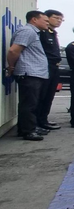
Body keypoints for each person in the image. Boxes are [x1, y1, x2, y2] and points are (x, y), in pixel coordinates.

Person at [6, 11, 50, 140]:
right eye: (45, 20)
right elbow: (13, 50)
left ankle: (30, 127)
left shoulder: (33, 32)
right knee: (29, 104)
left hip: (35, 73)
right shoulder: (27, 31)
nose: (47, 23)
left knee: (33, 102)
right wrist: (12, 66)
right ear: (34, 20)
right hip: (29, 73)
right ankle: (27, 131)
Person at [35, 9, 63, 131]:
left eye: (61, 19)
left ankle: (43, 119)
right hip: (45, 66)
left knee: (49, 95)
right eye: (56, 18)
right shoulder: (42, 33)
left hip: (54, 67)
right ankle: (36, 122)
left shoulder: (52, 33)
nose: (59, 21)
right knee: (41, 95)